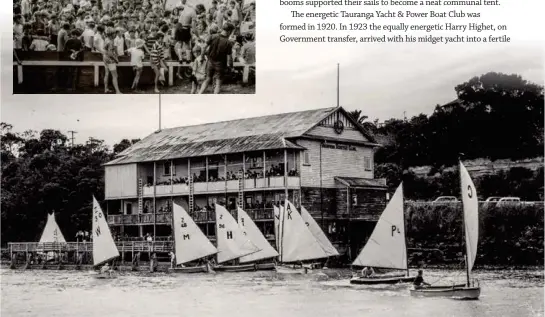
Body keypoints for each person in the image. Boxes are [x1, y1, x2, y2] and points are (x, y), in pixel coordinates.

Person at [198, 22, 234, 94]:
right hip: (220, 64)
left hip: (210, 61)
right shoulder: (228, 42)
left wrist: (202, 57)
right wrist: (231, 66)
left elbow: (204, 47)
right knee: (218, 84)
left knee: (207, 80)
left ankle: (199, 94)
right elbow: (230, 57)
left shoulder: (213, 36)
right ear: (229, 31)